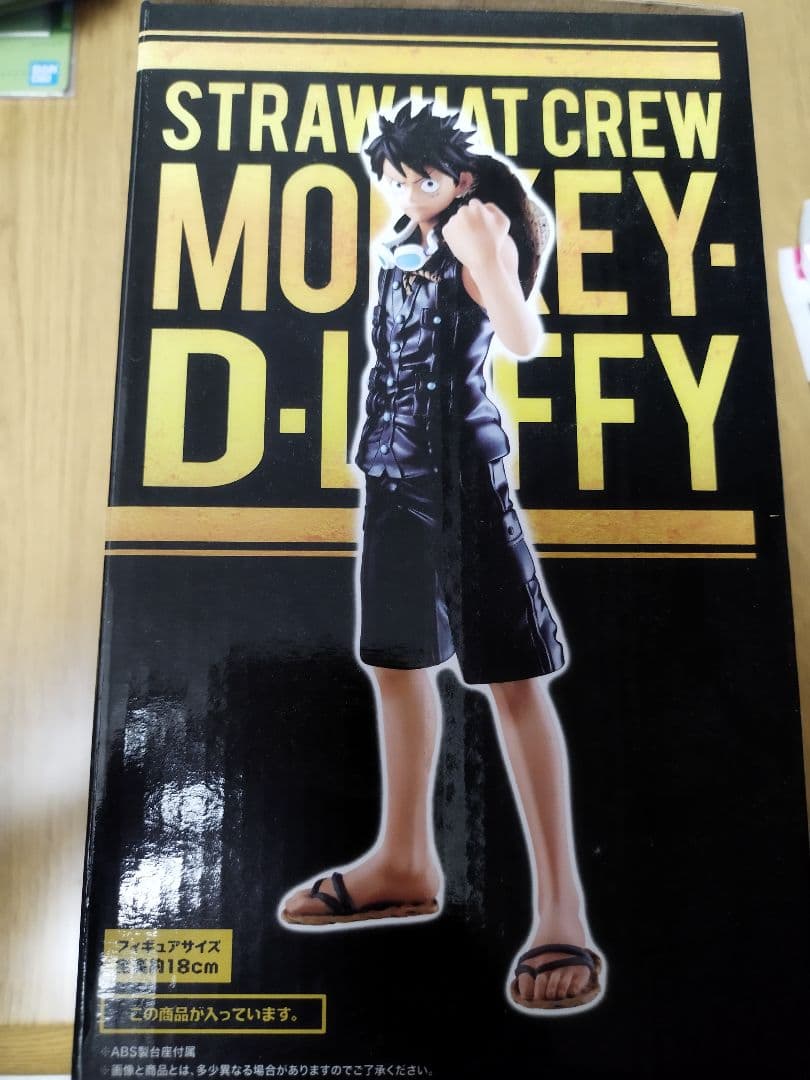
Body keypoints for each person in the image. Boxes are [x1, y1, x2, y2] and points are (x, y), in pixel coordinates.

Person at [280, 101, 604, 1013]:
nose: (405, 192)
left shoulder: (478, 234)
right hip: (391, 470)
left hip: (463, 473)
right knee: (396, 663)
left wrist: (489, 257)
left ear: (459, 178)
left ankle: (562, 908)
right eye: (393, 178)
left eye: (420, 178)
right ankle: (403, 860)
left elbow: (524, 340)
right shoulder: (399, 241)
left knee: (512, 680)